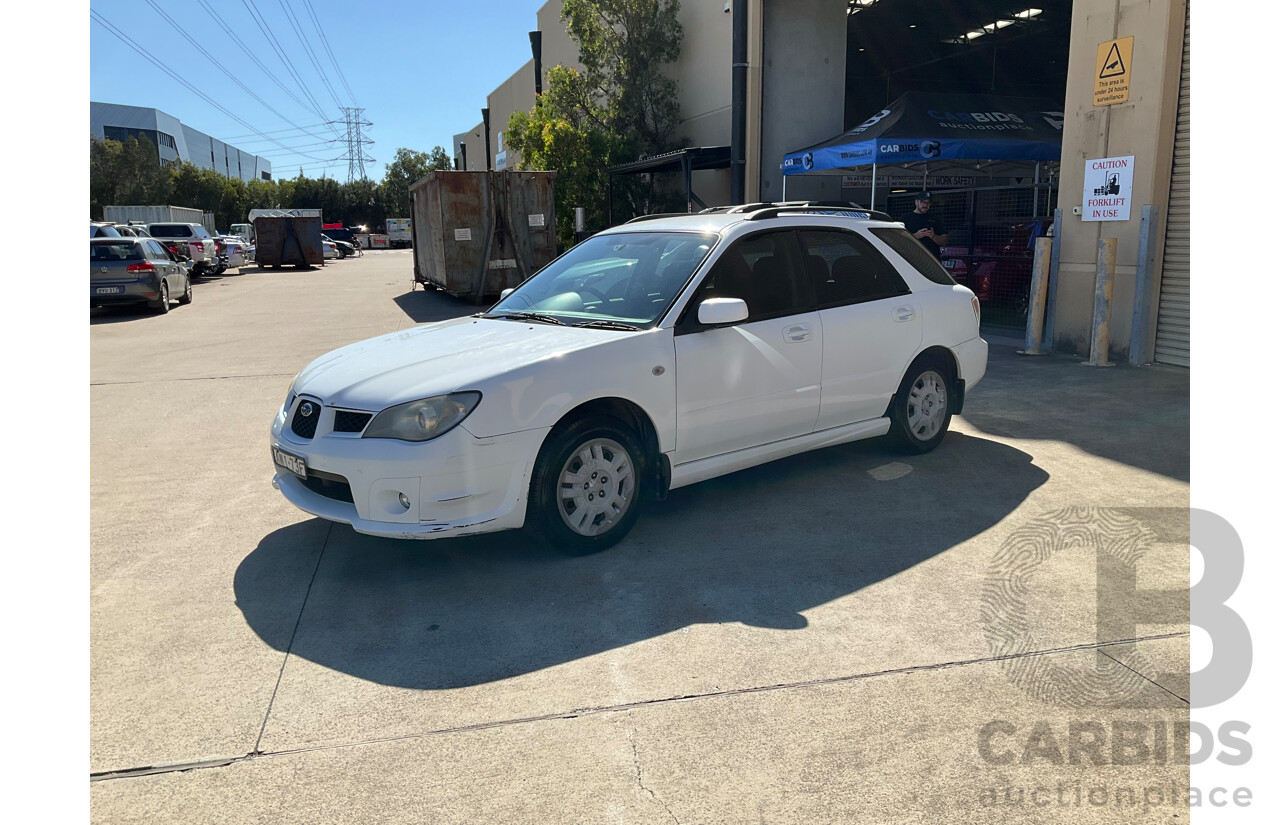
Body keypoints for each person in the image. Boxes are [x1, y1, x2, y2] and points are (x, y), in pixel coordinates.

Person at [901, 191, 948, 260]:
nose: (925, 205)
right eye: (923, 202)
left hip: (932, 260)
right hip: (912, 260)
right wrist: (916, 236)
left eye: (928, 202)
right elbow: (899, 241)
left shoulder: (935, 219)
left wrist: (933, 236)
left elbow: (944, 241)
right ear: (916, 202)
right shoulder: (905, 218)